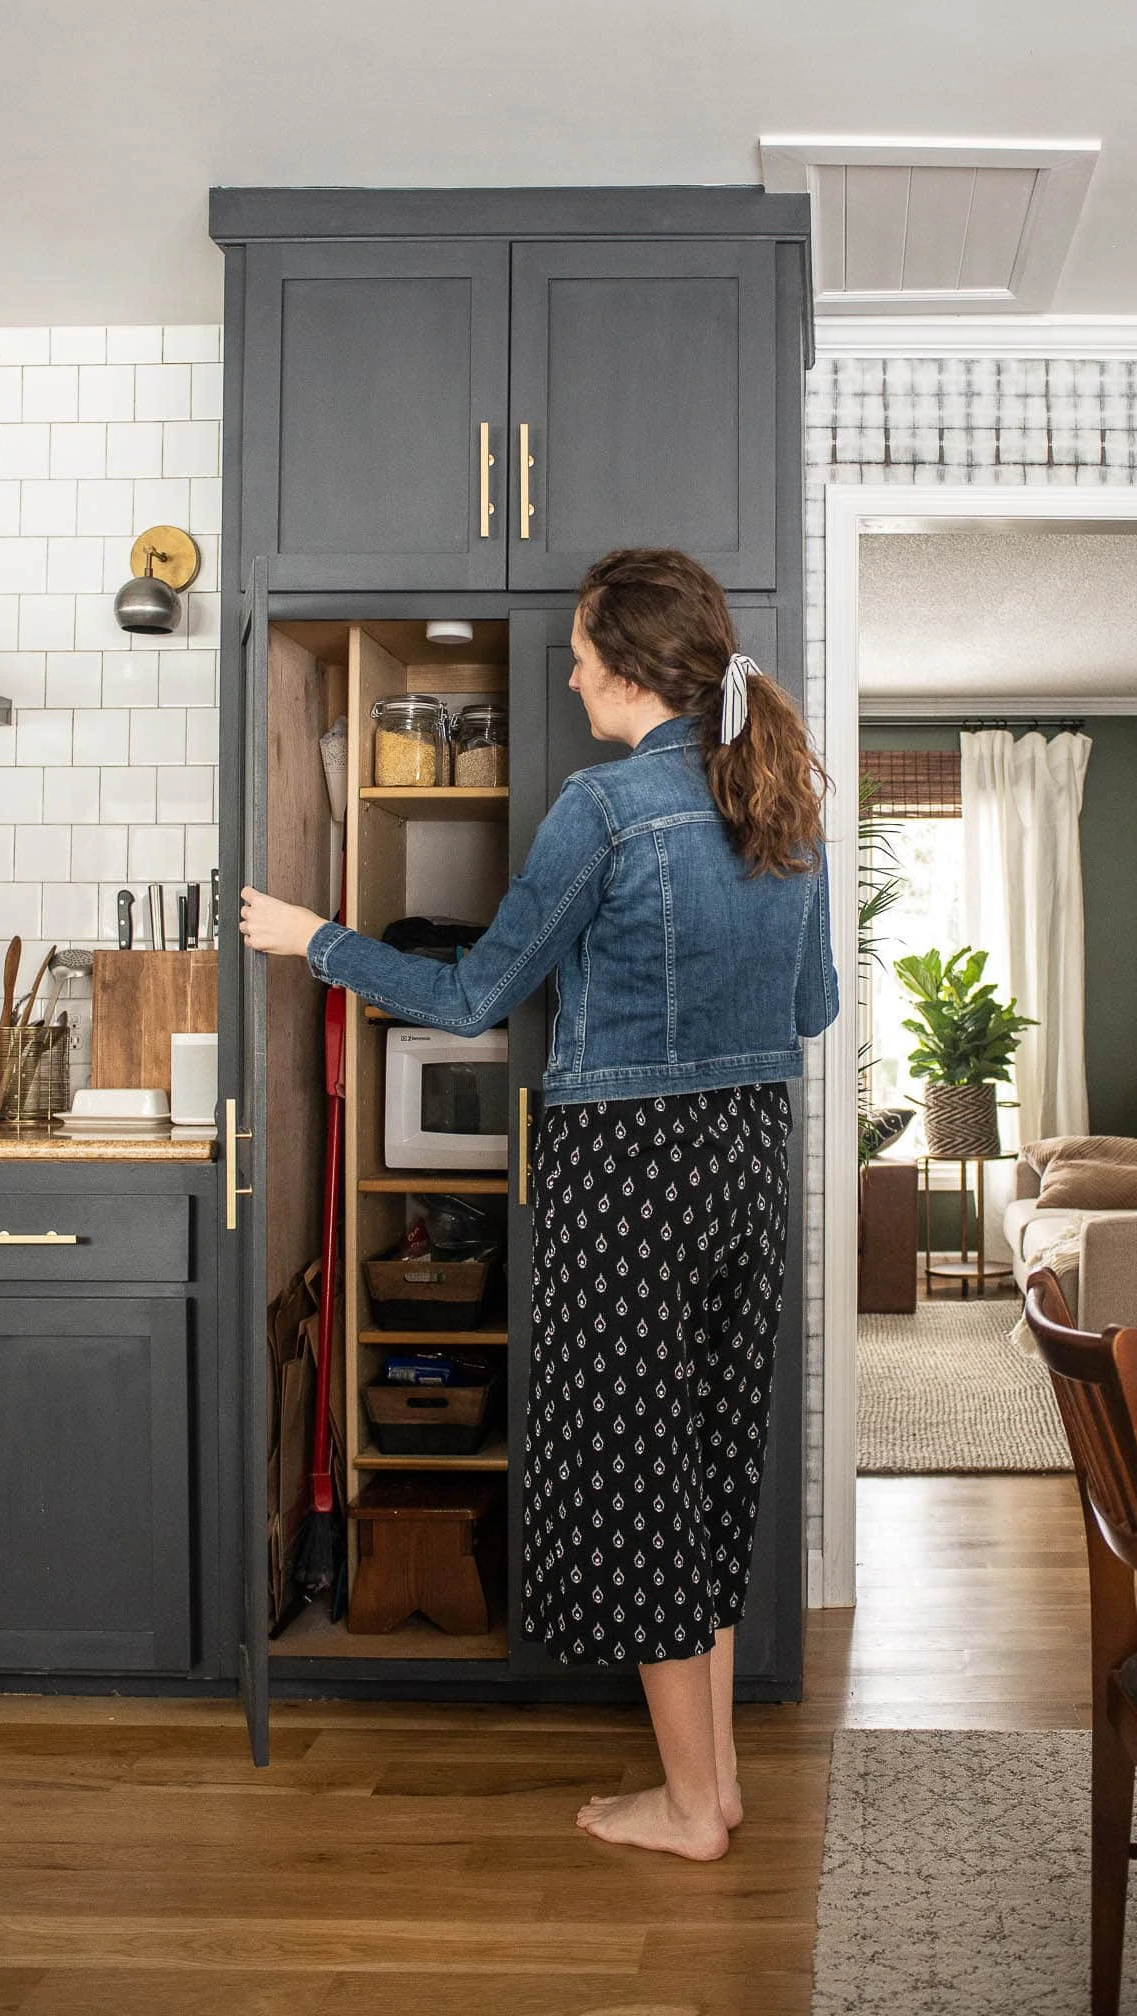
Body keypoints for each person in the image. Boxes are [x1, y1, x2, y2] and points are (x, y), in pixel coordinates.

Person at [240, 546, 838, 1861]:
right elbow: (813, 1011)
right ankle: (717, 1778)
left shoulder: (605, 808)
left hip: (627, 1172)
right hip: (748, 1156)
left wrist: (312, 938)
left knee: (640, 1483)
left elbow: (468, 997)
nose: (565, 670)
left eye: (576, 650)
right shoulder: (782, 805)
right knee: (714, 1474)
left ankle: (690, 1808)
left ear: (627, 665)